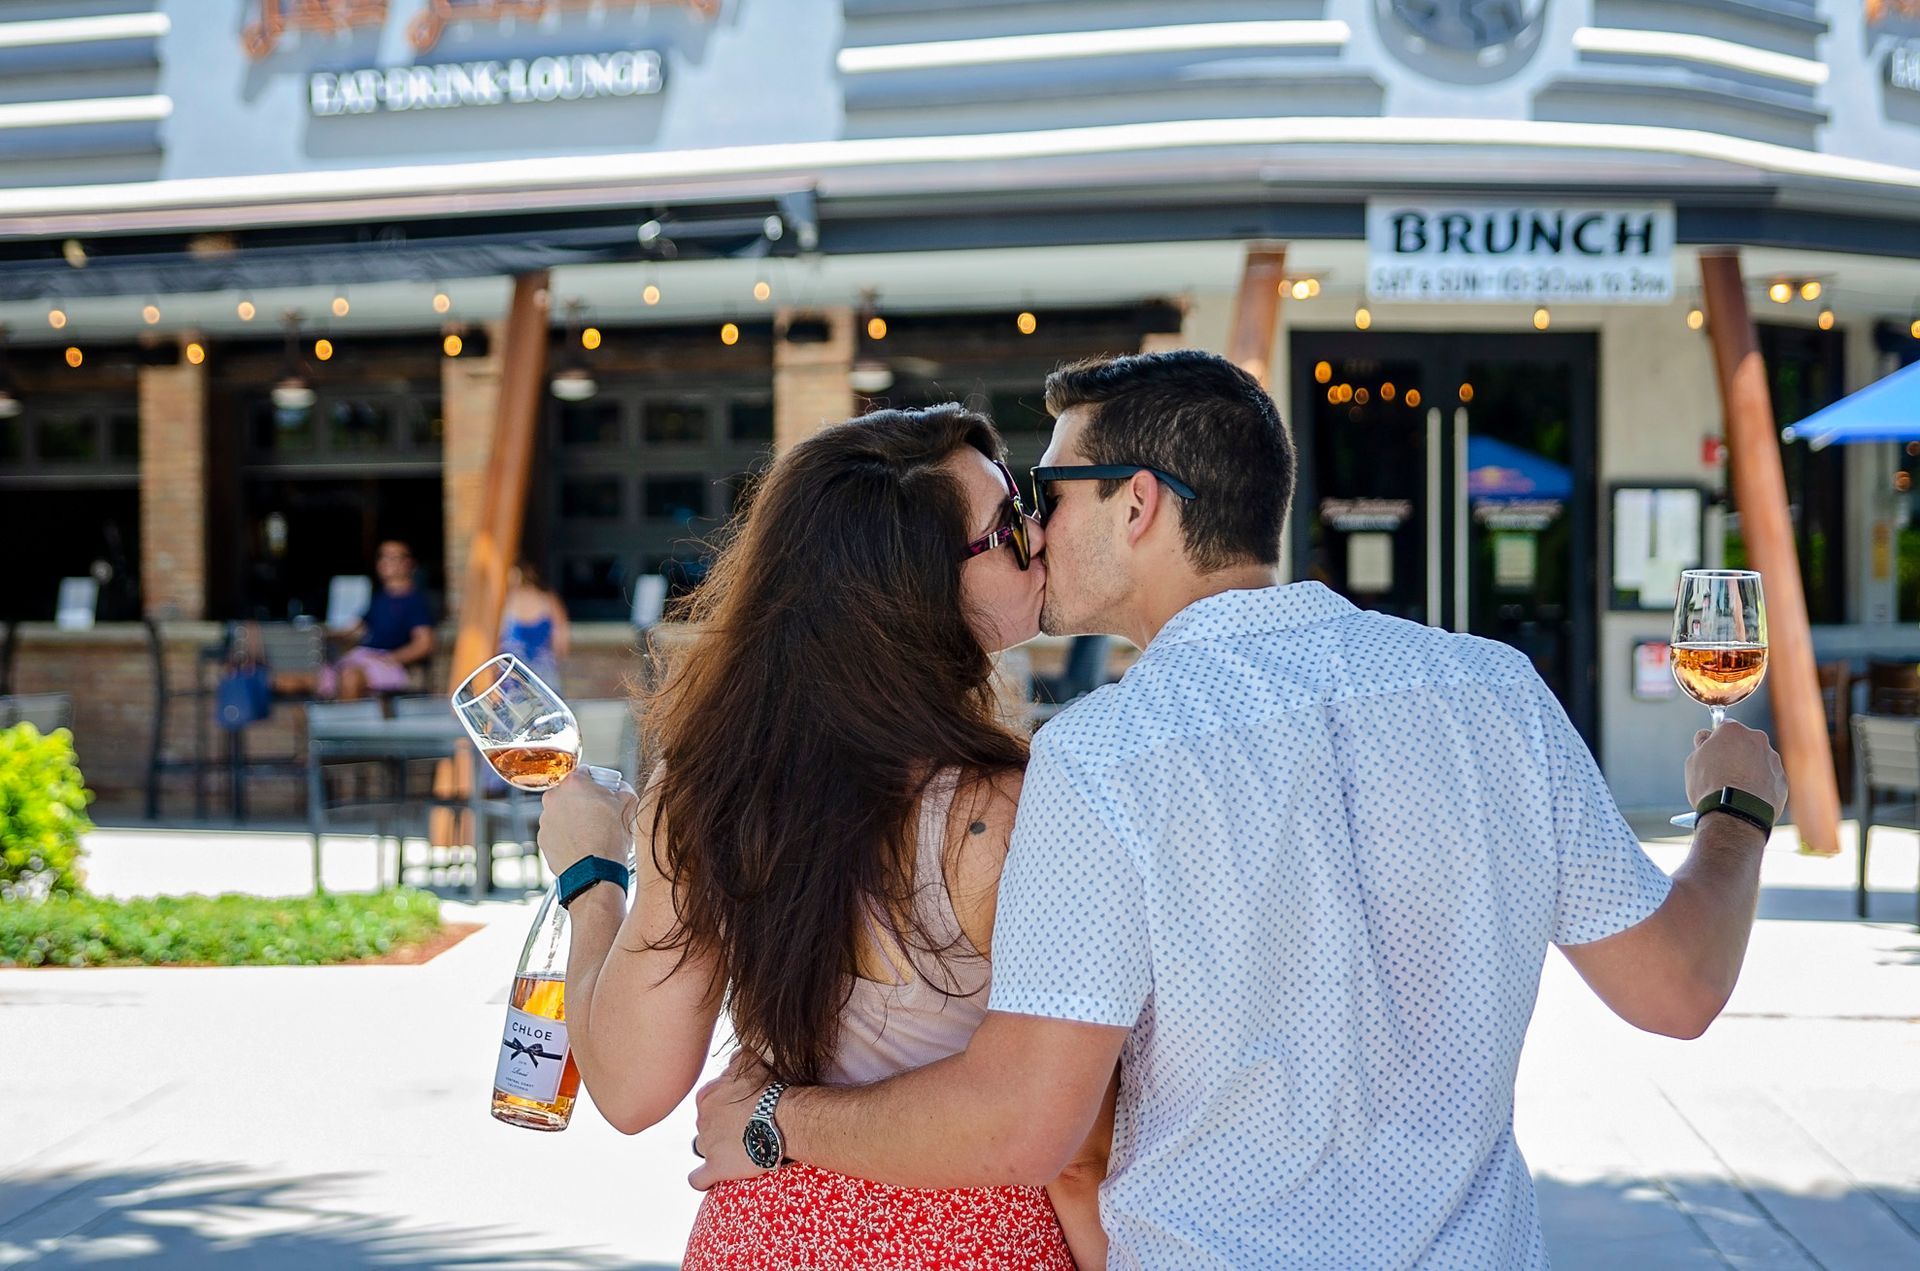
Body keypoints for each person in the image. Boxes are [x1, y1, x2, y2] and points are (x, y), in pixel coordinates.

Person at [690, 350, 1789, 1269]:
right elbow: (1680, 985)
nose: (1031, 523)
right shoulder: (1494, 691)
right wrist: (1735, 808)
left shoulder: (1106, 757)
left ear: (1138, 502)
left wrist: (781, 1118)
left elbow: (1027, 1125)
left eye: (1049, 489)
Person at [534, 405, 1113, 1270]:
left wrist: (591, 881)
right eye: (1006, 526)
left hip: (767, 1233)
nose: (1037, 531)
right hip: (972, 1240)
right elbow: (1072, 1149)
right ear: (909, 586)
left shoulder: (709, 792)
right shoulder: (1014, 811)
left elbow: (629, 1086)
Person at [278, 540, 435, 701]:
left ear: (408, 563)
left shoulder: (415, 601)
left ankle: (342, 724)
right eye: (382, 557)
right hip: (360, 658)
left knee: (350, 678)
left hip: (389, 666)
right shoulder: (379, 598)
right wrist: (322, 633)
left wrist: (392, 658)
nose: (385, 562)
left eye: (393, 557)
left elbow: (424, 643)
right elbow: (354, 630)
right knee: (290, 681)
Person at [499, 559, 570, 686]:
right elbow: (561, 641)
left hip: (512, 673)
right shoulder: (549, 599)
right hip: (543, 671)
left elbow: (496, 641)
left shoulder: (505, 602)